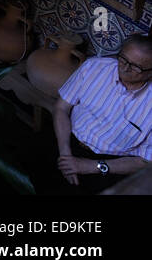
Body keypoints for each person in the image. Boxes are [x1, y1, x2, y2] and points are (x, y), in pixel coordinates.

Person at [54, 34, 152, 191]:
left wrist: (93, 166)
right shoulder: (94, 67)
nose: (125, 68)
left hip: (111, 164)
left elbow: (147, 161)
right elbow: (61, 108)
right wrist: (65, 154)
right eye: (123, 59)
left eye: (136, 67)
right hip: (66, 139)